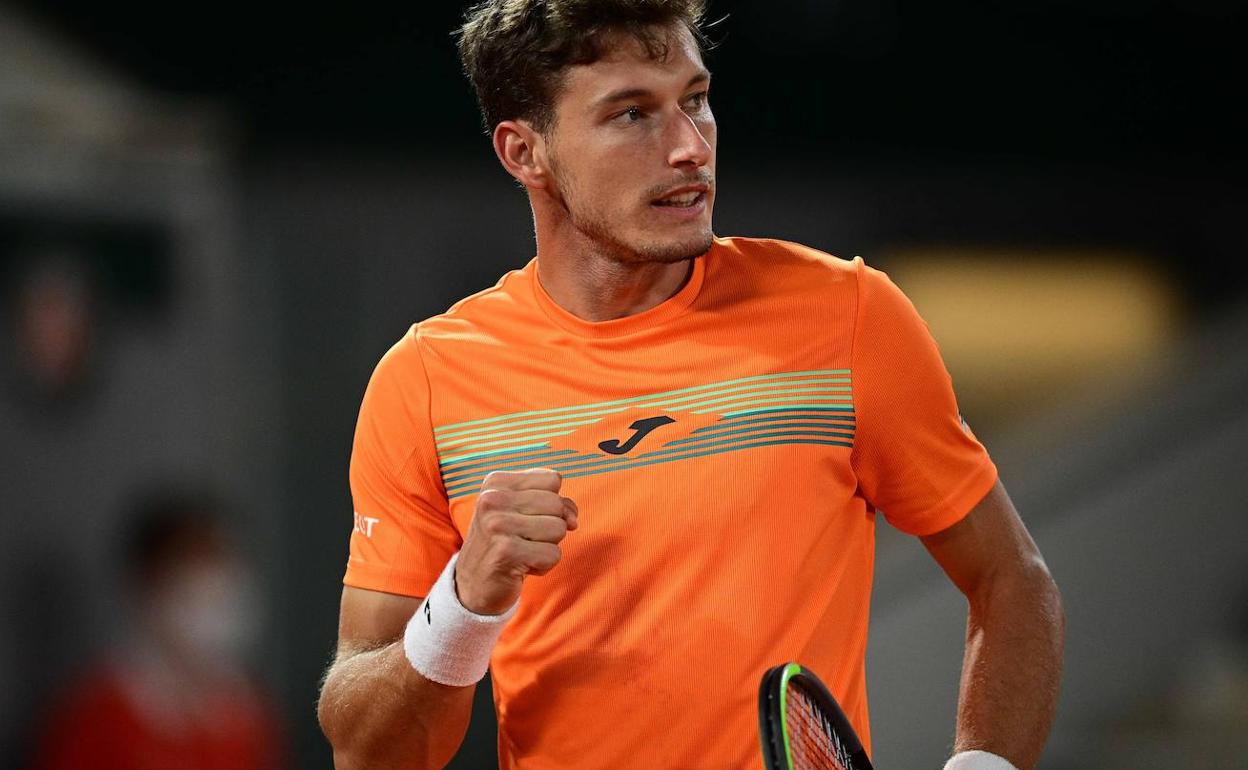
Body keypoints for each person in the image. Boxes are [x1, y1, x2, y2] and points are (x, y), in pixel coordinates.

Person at [317, 2, 1064, 769]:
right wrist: (464, 606)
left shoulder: (848, 317)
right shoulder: (427, 380)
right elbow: (369, 752)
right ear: (524, 152)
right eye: (632, 113)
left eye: (696, 100)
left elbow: (1012, 580)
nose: (688, 147)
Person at [31, 488, 283, 770]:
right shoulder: (94, 715)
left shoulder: (248, 714)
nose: (216, 602)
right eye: (196, 588)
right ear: (148, 585)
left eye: (225, 581)